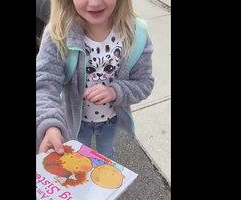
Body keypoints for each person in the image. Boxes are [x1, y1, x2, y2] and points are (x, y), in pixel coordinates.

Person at [36, 0, 154, 159]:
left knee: (106, 156)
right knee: (77, 159)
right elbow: (44, 84)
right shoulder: (58, 34)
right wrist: (50, 124)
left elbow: (144, 83)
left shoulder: (136, 34)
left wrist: (115, 91)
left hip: (110, 121)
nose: (95, 3)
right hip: (74, 122)